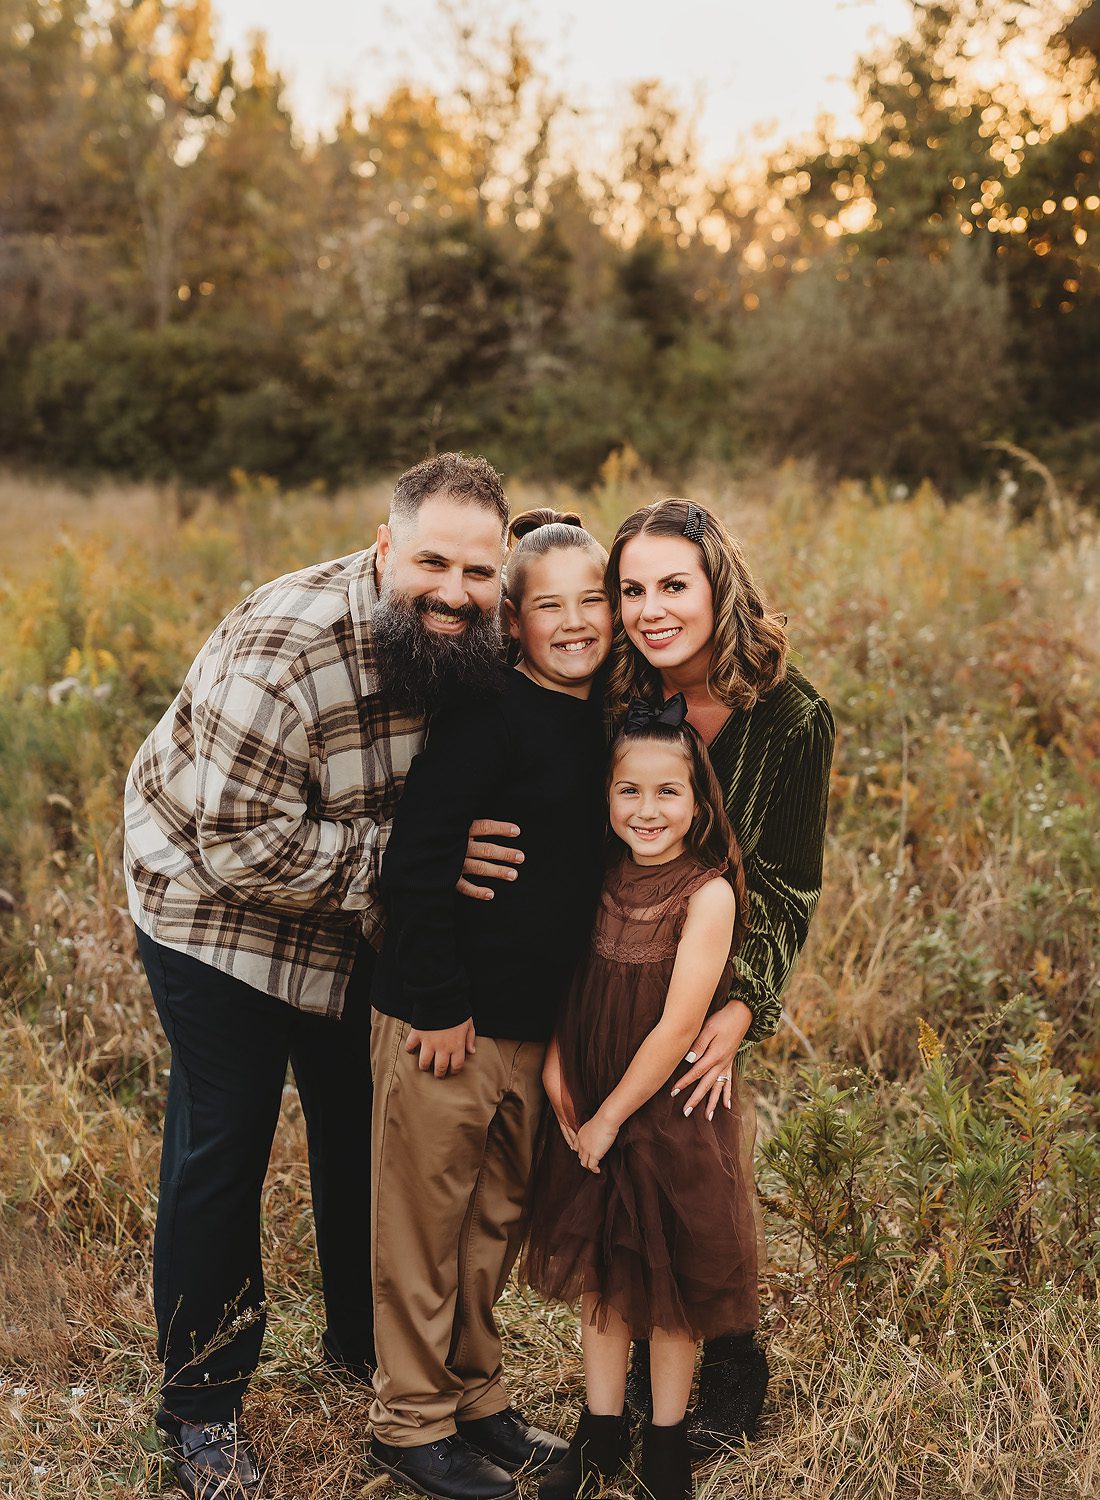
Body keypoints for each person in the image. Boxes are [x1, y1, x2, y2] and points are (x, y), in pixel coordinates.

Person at [123, 453, 510, 1500]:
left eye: (480, 573)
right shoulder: (284, 649)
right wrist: (405, 859)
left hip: (354, 920)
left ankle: (357, 1349)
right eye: (430, 561)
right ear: (385, 548)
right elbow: (236, 843)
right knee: (225, 1142)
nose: (453, 592)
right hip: (213, 912)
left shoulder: (485, 620)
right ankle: (199, 1410)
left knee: (363, 1125)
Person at [473, 496, 834, 1448]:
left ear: (721, 586)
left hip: (710, 969)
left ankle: (729, 1354)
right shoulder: (610, 696)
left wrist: (745, 1003)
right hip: (608, 961)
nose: (650, 608)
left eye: (674, 585)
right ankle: (627, 1363)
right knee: (613, 1163)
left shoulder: (790, 719)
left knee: (696, 1163)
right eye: (631, 588)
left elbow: (790, 883)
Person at [367, 510, 613, 1500]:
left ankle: (478, 1401)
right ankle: (408, 1423)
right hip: (445, 1021)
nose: (573, 622)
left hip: (530, 1028)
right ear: (510, 622)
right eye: (547, 606)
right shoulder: (489, 710)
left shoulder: (599, 715)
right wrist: (433, 1000)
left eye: (590, 602)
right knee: (424, 1229)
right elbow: (416, 858)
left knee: (490, 1226)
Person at [523, 699, 758, 1500]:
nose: (648, 811)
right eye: (630, 792)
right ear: (608, 796)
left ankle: (665, 1442)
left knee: (671, 1283)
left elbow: (678, 1023)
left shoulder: (709, 894)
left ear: (700, 803)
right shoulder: (601, 874)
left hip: (664, 1111)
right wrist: (559, 1063)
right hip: (591, 1089)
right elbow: (567, 975)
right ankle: (599, 1433)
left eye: (668, 793)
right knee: (600, 1267)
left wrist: (611, 1117)